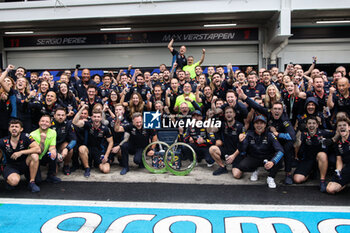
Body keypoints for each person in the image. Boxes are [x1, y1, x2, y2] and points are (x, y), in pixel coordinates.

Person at [237, 87, 296, 184]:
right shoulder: (269, 113)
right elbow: (257, 107)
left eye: (279, 109)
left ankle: (288, 174)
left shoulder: (285, 120)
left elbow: (292, 137)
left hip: (281, 141)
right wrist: (244, 97)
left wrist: (278, 134)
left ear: (282, 110)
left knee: (288, 146)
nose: (277, 111)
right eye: (275, 109)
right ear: (271, 110)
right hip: (269, 140)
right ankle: (256, 166)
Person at [232, 115, 285, 188]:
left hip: (268, 158)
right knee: (242, 166)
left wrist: (273, 162)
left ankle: (270, 177)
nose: (259, 125)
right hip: (254, 157)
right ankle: (255, 169)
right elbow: (242, 150)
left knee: (279, 161)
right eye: (257, 123)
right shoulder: (249, 134)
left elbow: (281, 150)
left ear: (265, 125)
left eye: (261, 123)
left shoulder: (270, 135)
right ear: (254, 125)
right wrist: (241, 142)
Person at [293, 116, 335, 192]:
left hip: (320, 159)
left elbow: (337, 132)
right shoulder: (303, 134)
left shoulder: (323, 133)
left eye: (314, 123)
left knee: (322, 155)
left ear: (317, 125)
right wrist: (299, 135)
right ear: (306, 125)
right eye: (309, 123)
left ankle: (322, 181)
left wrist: (332, 140)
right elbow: (296, 145)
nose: (311, 125)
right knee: (297, 179)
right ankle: (311, 172)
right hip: (307, 160)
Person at [0, 119, 41, 192]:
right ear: (9, 129)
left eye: (16, 126)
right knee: (14, 181)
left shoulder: (26, 136)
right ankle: (10, 179)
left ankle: (32, 182)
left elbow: (38, 149)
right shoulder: (3, 141)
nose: (14, 128)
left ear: (21, 129)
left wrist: (21, 152)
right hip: (11, 166)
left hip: (24, 163)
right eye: (12, 126)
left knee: (35, 156)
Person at [73, 105, 114, 176]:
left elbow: (111, 142)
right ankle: (87, 168)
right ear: (92, 117)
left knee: (105, 170)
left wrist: (106, 156)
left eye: (98, 117)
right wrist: (82, 108)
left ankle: (96, 163)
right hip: (89, 149)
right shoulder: (88, 124)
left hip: (99, 151)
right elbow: (75, 122)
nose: (96, 119)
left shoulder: (105, 129)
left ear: (101, 118)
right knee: (81, 148)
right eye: (94, 117)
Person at [209, 106, 245, 175]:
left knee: (237, 175)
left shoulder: (240, 126)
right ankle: (222, 167)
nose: (229, 114)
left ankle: (237, 166)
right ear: (225, 115)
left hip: (237, 153)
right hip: (226, 151)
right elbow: (210, 130)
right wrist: (210, 118)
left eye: (230, 112)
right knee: (212, 149)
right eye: (227, 113)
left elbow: (243, 145)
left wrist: (233, 156)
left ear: (234, 114)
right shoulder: (222, 124)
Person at [30, 114, 61, 184]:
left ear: (50, 124)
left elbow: (52, 146)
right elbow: (38, 151)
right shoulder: (32, 134)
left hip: (44, 155)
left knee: (54, 152)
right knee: (38, 181)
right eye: (42, 121)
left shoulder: (53, 132)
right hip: (35, 158)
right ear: (39, 123)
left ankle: (50, 176)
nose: (44, 123)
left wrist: (53, 151)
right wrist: (42, 140)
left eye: (47, 122)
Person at [327, 117, 350, 194]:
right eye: (339, 125)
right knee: (330, 189)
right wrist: (338, 172)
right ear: (337, 129)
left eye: (344, 125)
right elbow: (339, 160)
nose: (342, 127)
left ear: (349, 127)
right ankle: (345, 183)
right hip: (347, 168)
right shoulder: (338, 143)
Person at [51, 107, 77, 175]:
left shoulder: (68, 124)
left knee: (69, 149)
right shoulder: (50, 124)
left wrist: (66, 149)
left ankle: (66, 165)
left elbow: (74, 140)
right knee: (54, 173)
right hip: (51, 147)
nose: (60, 117)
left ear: (65, 116)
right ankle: (55, 163)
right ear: (54, 115)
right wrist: (55, 152)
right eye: (58, 115)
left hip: (61, 145)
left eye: (62, 115)